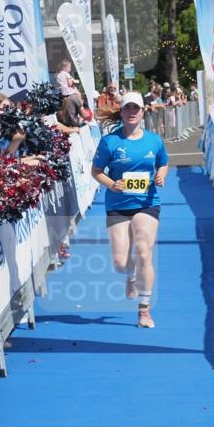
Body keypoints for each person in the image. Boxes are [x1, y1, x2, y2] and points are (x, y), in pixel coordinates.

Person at [90, 92, 169, 330]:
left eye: (136, 108)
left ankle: (144, 310)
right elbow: (96, 171)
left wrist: (162, 174)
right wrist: (112, 184)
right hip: (118, 205)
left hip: (147, 203)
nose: (132, 112)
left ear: (143, 111)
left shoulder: (154, 140)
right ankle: (131, 276)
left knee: (144, 251)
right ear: (122, 112)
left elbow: (163, 162)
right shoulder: (110, 142)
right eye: (128, 108)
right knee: (120, 263)